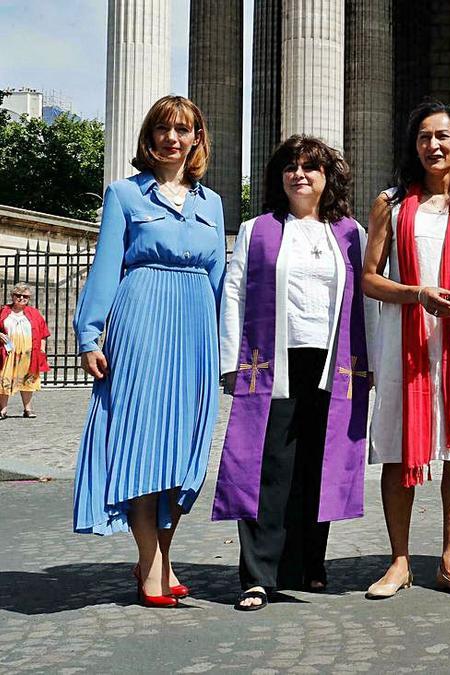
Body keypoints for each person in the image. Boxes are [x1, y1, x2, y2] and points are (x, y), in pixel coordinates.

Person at [72, 95, 225, 608]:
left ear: (196, 140)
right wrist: (90, 335)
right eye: (163, 128)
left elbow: (221, 281)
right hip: (140, 322)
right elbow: (105, 268)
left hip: (196, 328)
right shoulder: (123, 195)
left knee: (186, 448)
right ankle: (154, 566)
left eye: (183, 130)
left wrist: (224, 348)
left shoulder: (214, 203)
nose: (172, 138)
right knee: (142, 441)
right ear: (149, 137)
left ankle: (158, 556)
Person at [212, 135, 375, 611]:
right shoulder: (256, 229)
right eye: (290, 167)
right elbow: (235, 295)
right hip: (273, 362)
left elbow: (365, 302)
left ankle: (307, 566)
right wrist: (230, 362)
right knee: (267, 466)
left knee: (316, 464)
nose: (299, 174)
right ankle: (259, 574)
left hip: (333, 362)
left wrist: (376, 364)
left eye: (311, 167)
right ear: (279, 176)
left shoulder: (350, 233)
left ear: (329, 179)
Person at [363, 102, 450, 600]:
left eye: (442, 136)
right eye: (424, 137)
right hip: (405, 343)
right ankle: (399, 561)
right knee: (399, 450)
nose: (433, 146)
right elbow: (370, 278)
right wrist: (417, 294)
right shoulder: (391, 204)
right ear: (413, 146)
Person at [0, 283, 50, 418]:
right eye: (18, 295)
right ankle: (2, 410)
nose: (21, 298)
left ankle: (27, 409)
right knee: (4, 378)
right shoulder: (4, 311)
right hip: (8, 351)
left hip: (29, 351)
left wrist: (42, 351)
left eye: (25, 296)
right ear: (12, 296)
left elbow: (43, 333)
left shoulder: (34, 313)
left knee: (28, 379)